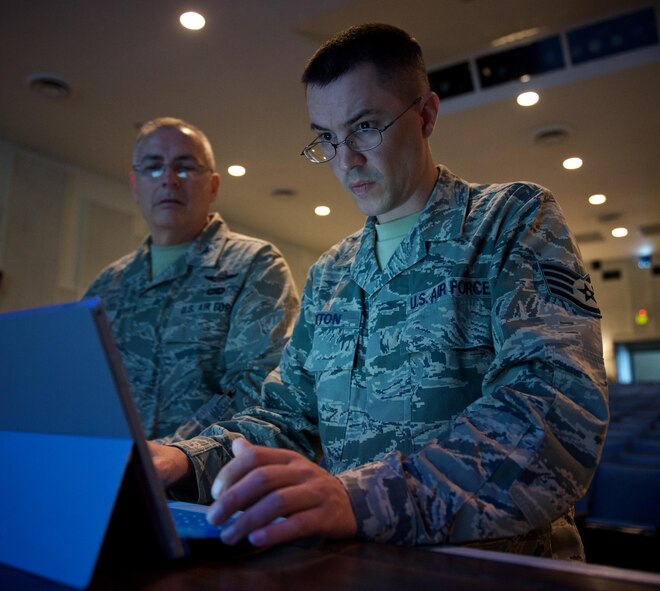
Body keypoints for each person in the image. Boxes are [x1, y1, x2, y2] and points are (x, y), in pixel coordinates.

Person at [149, 23, 608, 560]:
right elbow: (286, 419)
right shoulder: (332, 273)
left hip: (496, 565)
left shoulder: (509, 221)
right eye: (326, 137)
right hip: (361, 564)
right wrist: (183, 458)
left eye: (365, 126)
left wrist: (363, 498)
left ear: (427, 115)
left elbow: (554, 410)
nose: (345, 160)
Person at [0, 117, 300, 453]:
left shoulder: (254, 265)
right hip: (104, 480)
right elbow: (68, 392)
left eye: (185, 166)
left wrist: (167, 455)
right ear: (135, 185)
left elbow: (257, 389)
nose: (170, 179)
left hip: (207, 490)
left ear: (212, 185)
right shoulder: (109, 285)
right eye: (154, 166)